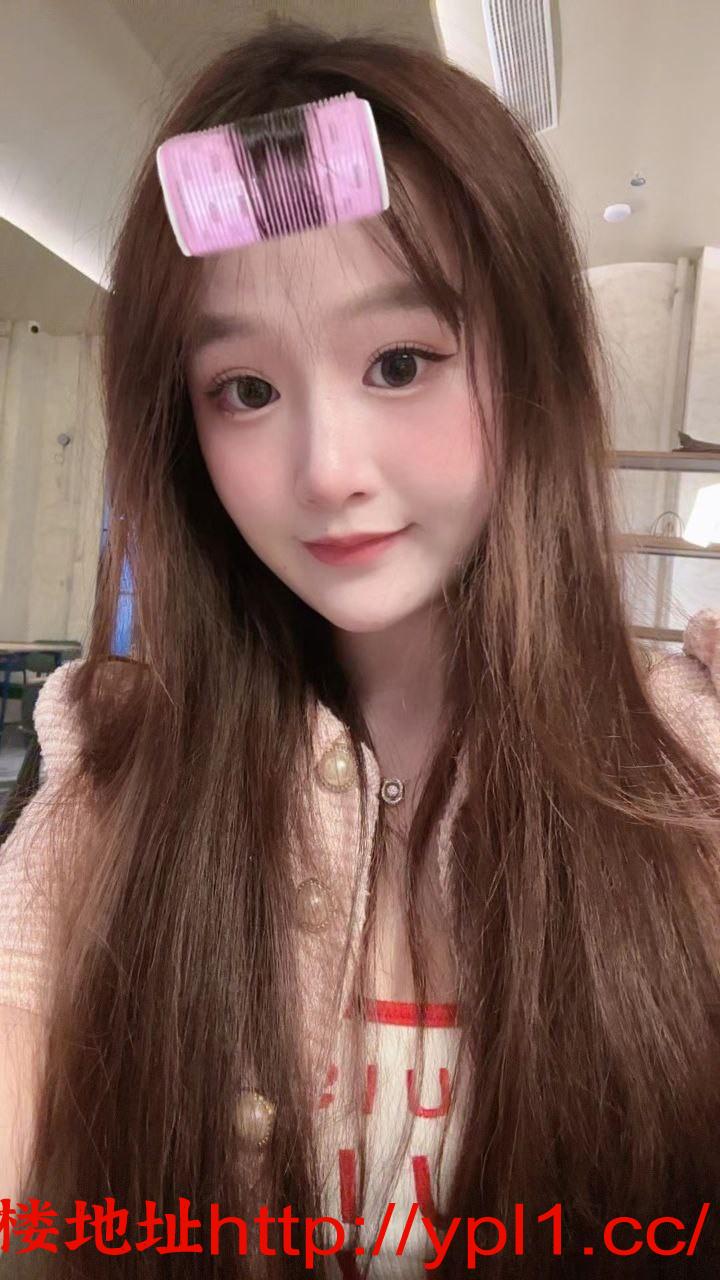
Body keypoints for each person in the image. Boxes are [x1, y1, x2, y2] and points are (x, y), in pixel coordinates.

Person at [1, 19, 720, 1280]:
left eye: (400, 362)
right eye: (245, 389)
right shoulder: (114, 766)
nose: (325, 469)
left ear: (534, 375)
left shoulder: (686, 765)